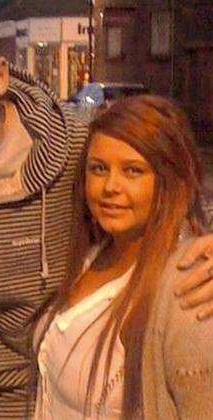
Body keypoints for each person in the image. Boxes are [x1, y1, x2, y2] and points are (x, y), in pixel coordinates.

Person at [0, 1, 213, 418]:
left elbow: (154, 184)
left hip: (40, 400)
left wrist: (199, 247)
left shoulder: (73, 148)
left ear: (0, 75)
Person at [34, 95, 213, 419]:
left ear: (173, 181)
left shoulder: (191, 289)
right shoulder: (91, 253)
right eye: (99, 169)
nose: (110, 187)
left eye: (133, 171)